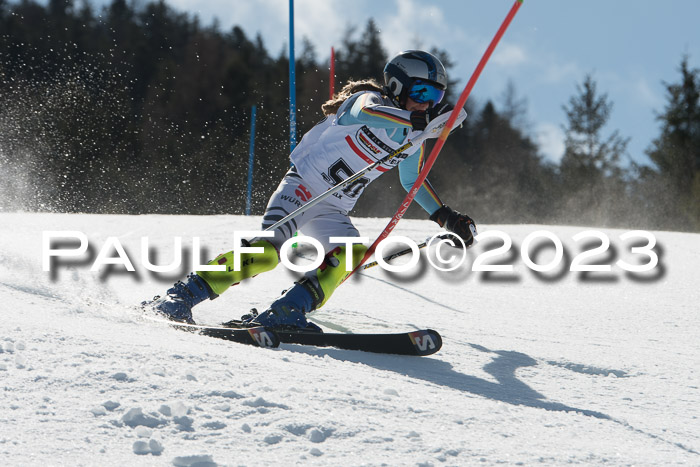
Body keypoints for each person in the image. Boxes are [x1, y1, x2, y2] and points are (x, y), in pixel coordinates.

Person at [142, 50, 477, 331]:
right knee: (267, 253)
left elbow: (411, 182)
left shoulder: (413, 139)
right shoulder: (370, 101)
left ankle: (286, 312)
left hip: (332, 210)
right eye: (420, 93)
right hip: (302, 187)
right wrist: (412, 122)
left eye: (435, 97)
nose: (426, 104)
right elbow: (362, 113)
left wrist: (447, 217)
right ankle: (181, 296)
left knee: (348, 256)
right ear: (397, 86)